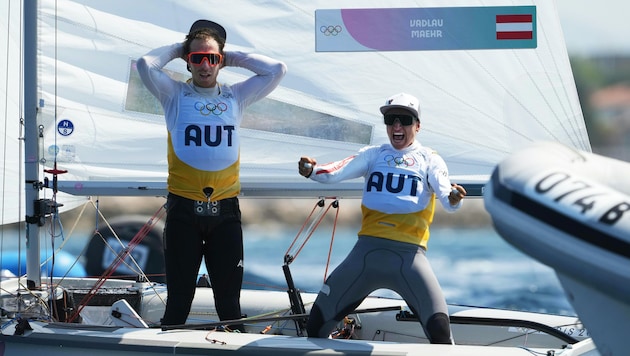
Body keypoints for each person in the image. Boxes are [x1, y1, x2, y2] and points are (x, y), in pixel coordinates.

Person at [137, 19, 286, 330]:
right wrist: (180, 49)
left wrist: (230, 55)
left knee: (229, 305)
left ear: (221, 62)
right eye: (197, 59)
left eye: (212, 59)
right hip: (183, 213)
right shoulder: (174, 95)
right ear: (188, 63)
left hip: (225, 214)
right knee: (178, 302)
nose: (205, 65)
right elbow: (145, 64)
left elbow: (277, 69)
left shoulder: (236, 96)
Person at [298, 92, 466, 343]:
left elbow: (446, 194)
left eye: (405, 120)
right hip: (365, 256)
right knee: (316, 325)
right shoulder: (373, 154)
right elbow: (335, 171)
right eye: (391, 120)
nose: (397, 126)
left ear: (417, 126)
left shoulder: (430, 159)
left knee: (441, 333)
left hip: (410, 261)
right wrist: (311, 170)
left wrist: (454, 198)